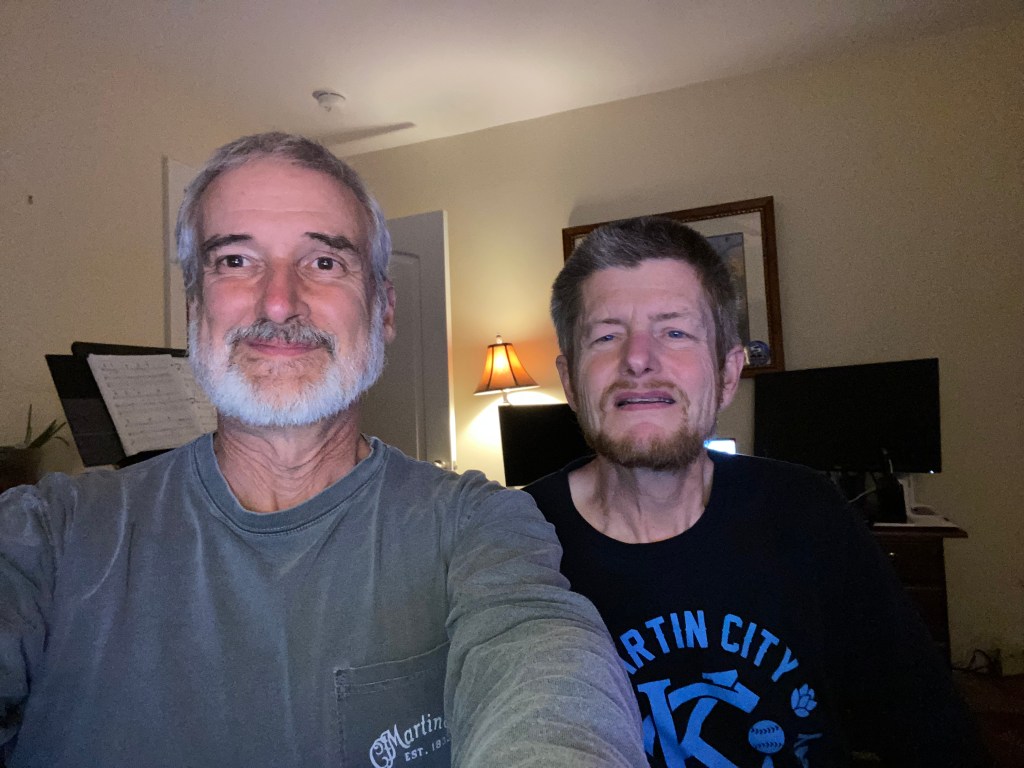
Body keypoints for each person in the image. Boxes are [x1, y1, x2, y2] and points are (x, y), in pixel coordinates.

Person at [0, 133, 647, 768]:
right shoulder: (48, 535)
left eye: (325, 262)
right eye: (236, 261)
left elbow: (546, 675)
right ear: (195, 306)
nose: (279, 302)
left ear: (383, 309)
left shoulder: (480, 525)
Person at [524, 217, 989, 767]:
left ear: (727, 374)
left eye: (675, 332)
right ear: (570, 380)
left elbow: (930, 732)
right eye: (606, 336)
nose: (638, 358)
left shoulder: (806, 511)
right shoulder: (516, 538)